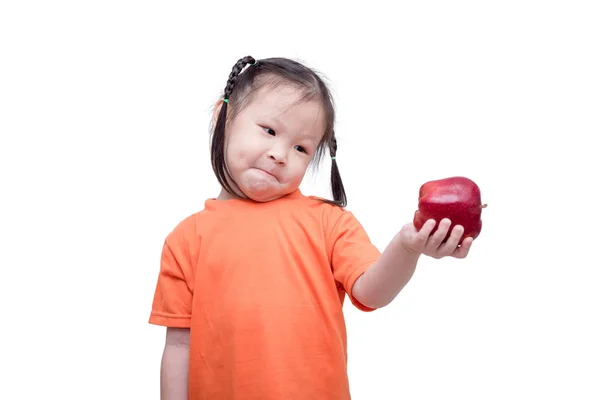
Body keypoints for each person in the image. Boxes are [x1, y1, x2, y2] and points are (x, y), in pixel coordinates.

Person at [149, 55, 474, 400]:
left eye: (301, 148)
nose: (280, 154)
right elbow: (179, 346)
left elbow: (372, 292)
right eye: (269, 130)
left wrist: (407, 248)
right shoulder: (185, 238)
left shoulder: (328, 222)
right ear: (223, 116)